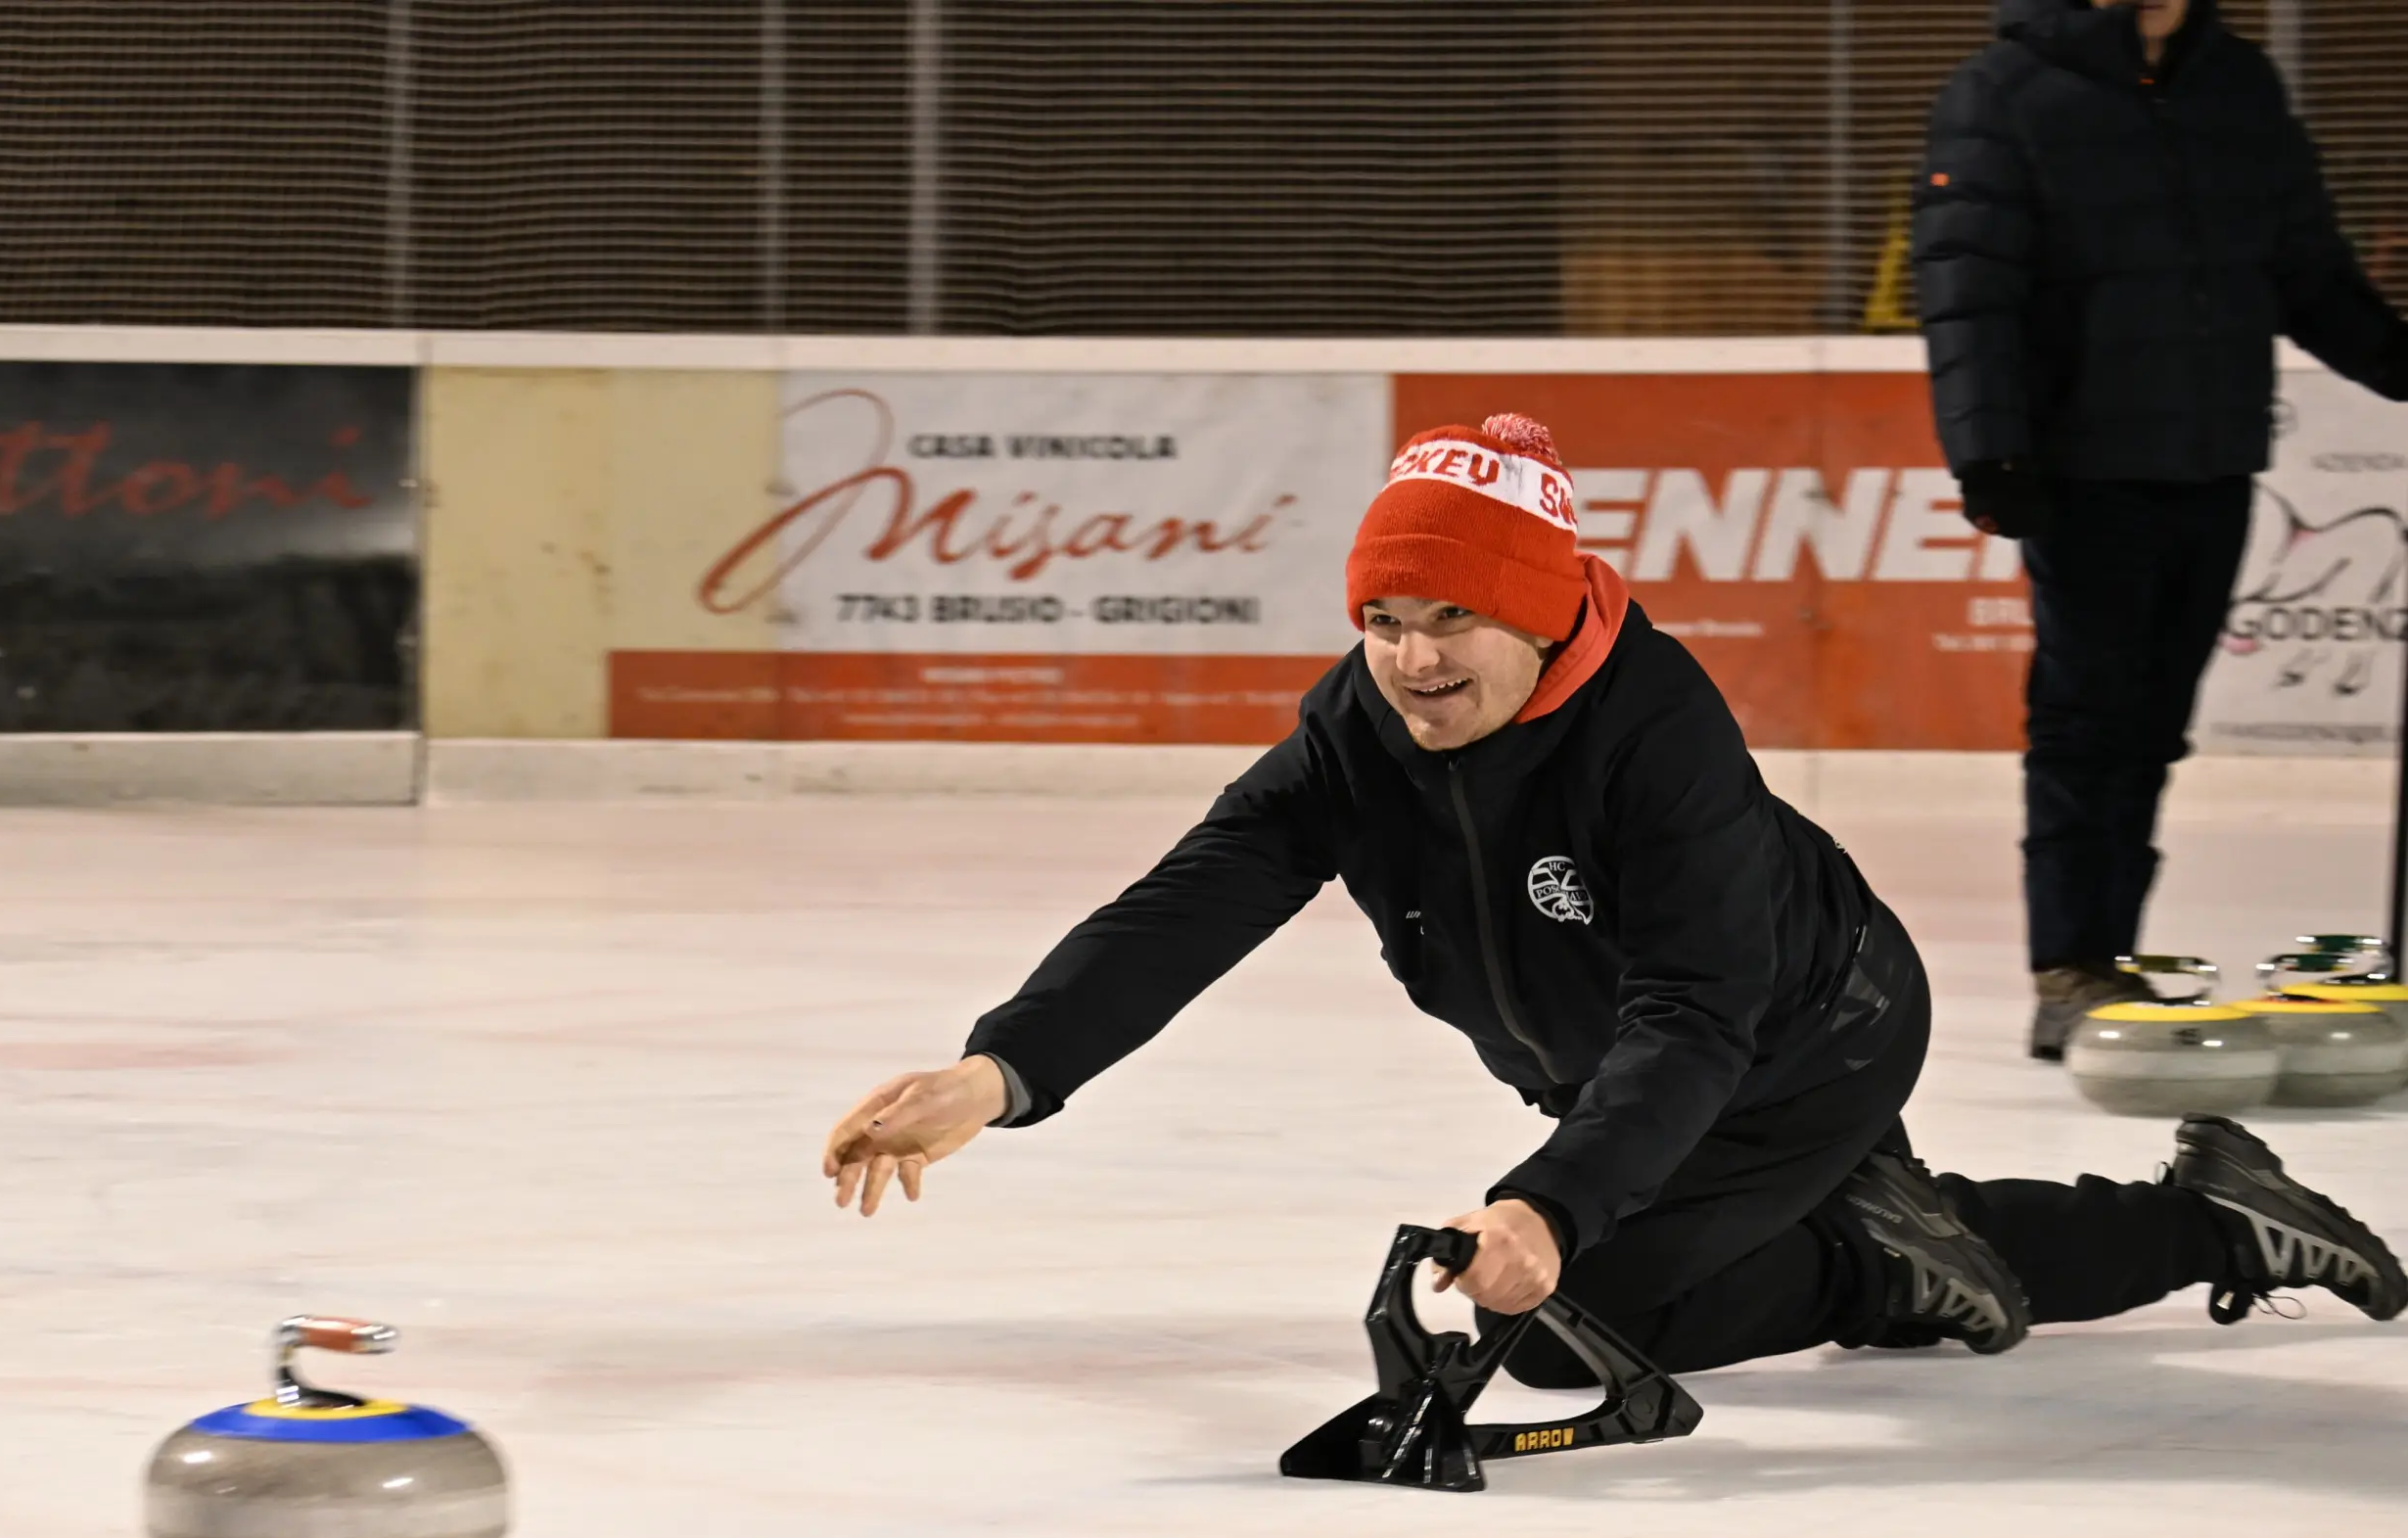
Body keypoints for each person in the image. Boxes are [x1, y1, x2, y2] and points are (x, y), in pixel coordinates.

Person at [817, 414, 2404, 1381]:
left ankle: (2091, 1229)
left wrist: (1551, 1205)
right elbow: (1197, 897)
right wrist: (1004, 1066)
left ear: (1536, 611)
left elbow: (1698, 1016)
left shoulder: (1657, 736)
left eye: (1453, 617)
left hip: (1810, 1033)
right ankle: (1935, 1223)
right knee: (1601, 1261)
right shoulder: (1358, 728)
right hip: (1627, 1055)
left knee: (1600, 1302)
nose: (1414, 656)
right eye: (1382, 615)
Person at [1912, 0, 2408, 1059]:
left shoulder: (2238, 87)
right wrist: (1991, 453)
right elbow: (1967, 291)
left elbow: (2307, 271)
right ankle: (2071, 965)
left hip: (2213, 460)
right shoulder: (2003, 92)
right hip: (2085, 470)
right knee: (2088, 723)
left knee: (2151, 730)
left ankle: (2109, 952)